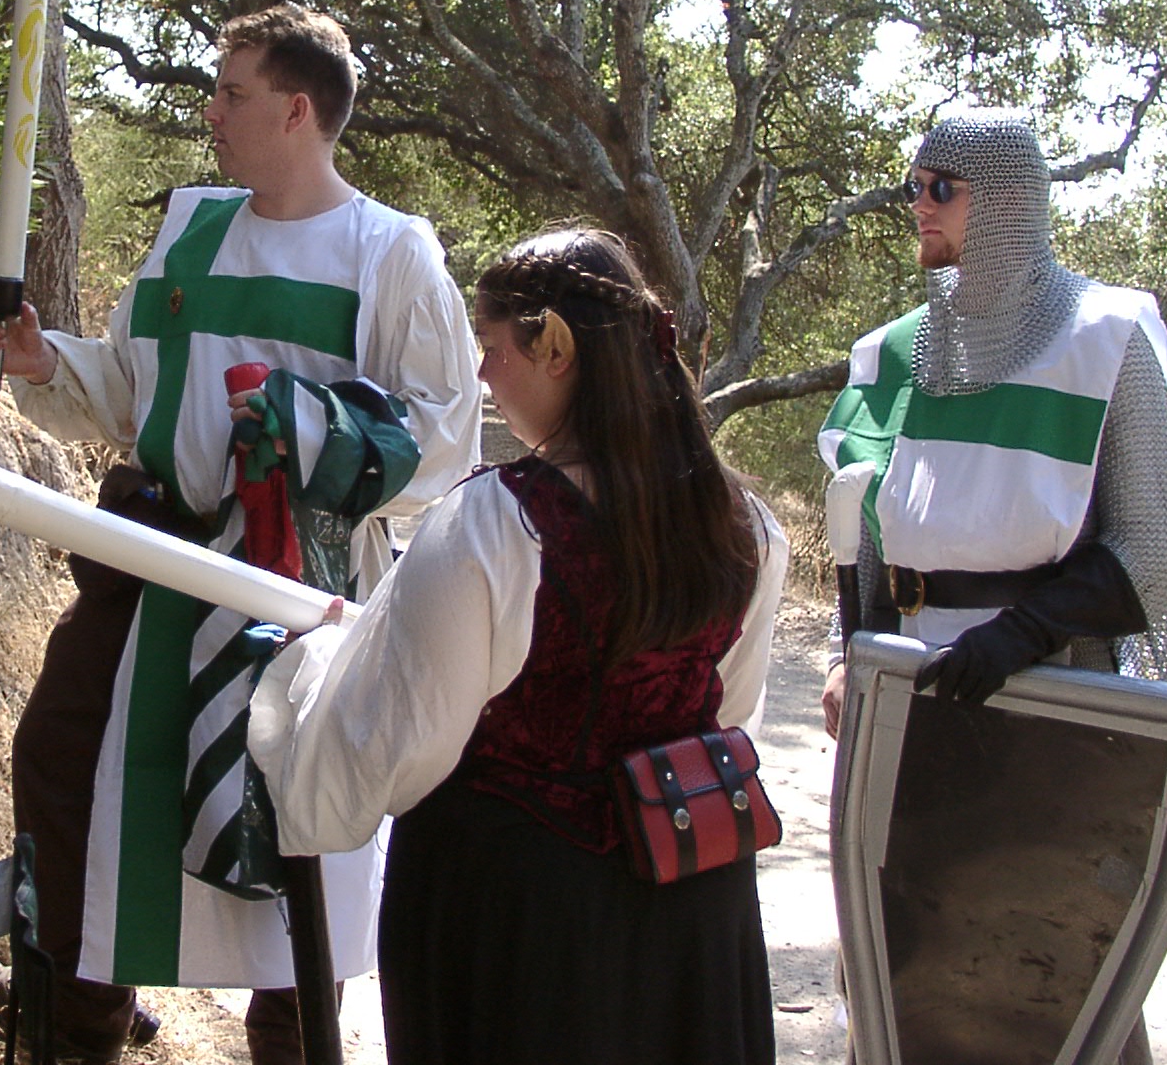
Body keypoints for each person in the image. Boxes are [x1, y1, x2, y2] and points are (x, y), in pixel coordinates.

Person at [0, 3, 480, 1063]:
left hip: (302, 598)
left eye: (231, 92)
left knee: (298, 847)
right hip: (150, 574)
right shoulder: (191, 228)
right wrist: (44, 362)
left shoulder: (389, 255)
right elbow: (132, 388)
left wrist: (313, 431)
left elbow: (442, 443)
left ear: (297, 111)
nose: (210, 111)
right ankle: (67, 1039)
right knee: (70, 779)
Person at [248, 227, 775, 1065]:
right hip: (689, 895)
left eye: (493, 348)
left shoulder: (491, 523)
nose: (484, 376)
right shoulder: (745, 524)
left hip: (519, 913)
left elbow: (400, 744)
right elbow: (727, 714)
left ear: (555, 348)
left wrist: (316, 667)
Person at [815, 109, 1167, 1064]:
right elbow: (867, 531)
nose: (920, 205)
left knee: (1054, 950)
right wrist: (849, 654)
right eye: (914, 186)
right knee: (900, 954)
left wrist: (1022, 634)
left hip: (1053, 690)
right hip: (911, 689)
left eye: (942, 188)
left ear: (1011, 201)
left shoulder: (1106, 337)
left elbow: (1147, 548)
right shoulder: (893, 352)